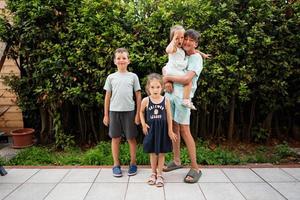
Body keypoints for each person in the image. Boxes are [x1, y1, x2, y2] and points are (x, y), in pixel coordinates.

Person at [163, 29, 203, 183]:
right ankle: (177, 160)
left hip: (183, 99)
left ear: (196, 43)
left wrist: (167, 78)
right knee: (174, 128)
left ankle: (195, 168)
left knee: (185, 130)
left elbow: (187, 79)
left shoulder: (196, 58)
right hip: (171, 95)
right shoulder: (182, 52)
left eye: (191, 40)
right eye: (185, 39)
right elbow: (168, 65)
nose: (186, 42)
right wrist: (167, 81)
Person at [103, 48, 141, 177]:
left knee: (131, 138)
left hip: (130, 112)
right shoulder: (111, 77)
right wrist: (106, 115)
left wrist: (138, 114)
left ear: (128, 60)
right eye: (118, 58)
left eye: (124, 58)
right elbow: (107, 97)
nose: (121, 60)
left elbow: (138, 96)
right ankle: (116, 165)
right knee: (115, 138)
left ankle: (133, 163)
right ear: (114, 61)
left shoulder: (133, 77)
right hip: (114, 112)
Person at [140, 73, 177, 187]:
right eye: (152, 87)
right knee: (152, 153)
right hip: (151, 130)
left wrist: (170, 130)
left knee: (161, 153)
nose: (155, 90)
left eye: (157, 87)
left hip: (162, 130)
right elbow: (141, 112)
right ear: (148, 88)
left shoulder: (165, 100)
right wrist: (143, 124)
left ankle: (160, 174)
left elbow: (169, 116)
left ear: (162, 87)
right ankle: (153, 173)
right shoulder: (146, 100)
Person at [164, 25, 210, 110]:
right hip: (173, 72)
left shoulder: (183, 50)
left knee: (187, 80)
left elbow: (195, 50)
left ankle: (185, 99)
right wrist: (173, 40)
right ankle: (186, 100)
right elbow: (168, 50)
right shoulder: (174, 48)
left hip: (175, 83)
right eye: (178, 38)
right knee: (188, 82)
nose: (181, 40)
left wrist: (203, 54)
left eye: (182, 38)